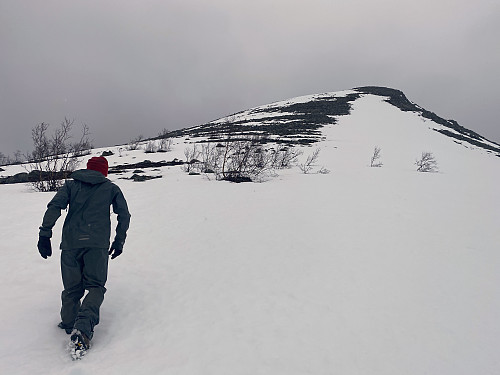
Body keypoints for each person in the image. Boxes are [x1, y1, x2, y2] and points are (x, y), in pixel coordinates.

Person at [37, 156, 131, 352]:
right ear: (104, 171)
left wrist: (45, 234)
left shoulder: (71, 186)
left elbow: (55, 206)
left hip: (71, 244)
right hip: (97, 245)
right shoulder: (111, 188)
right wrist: (119, 240)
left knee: (72, 288)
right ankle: (83, 329)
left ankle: (69, 323)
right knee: (95, 286)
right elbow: (124, 215)